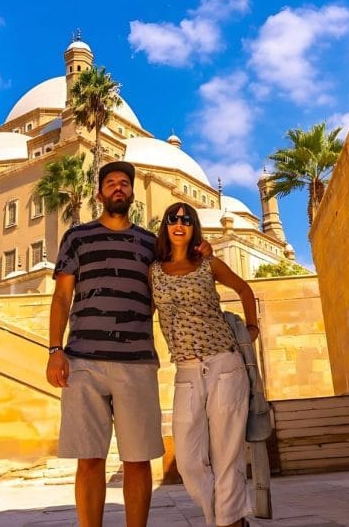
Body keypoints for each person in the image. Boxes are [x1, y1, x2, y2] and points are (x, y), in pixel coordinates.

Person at [46, 161, 210, 527]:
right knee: (89, 458)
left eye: (124, 183)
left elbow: (176, 275)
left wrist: (203, 251)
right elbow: (61, 297)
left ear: (132, 193)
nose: (118, 188)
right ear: (99, 192)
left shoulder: (150, 244)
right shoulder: (77, 237)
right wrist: (55, 351)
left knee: (138, 459)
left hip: (136, 363)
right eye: (111, 183)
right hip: (83, 362)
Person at [149, 201, 259, 527]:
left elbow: (244, 288)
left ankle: (230, 523)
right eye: (173, 218)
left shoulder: (208, 263)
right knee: (187, 460)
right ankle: (225, 520)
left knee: (227, 455)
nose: (179, 223)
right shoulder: (153, 271)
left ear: (194, 227)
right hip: (186, 372)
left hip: (225, 364)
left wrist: (252, 328)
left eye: (186, 219)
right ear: (166, 226)